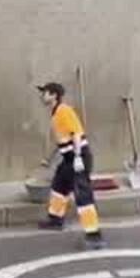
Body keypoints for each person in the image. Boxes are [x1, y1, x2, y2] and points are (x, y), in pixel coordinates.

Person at [37, 81, 104, 250]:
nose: (42, 96)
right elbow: (61, 141)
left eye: (44, 93)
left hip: (78, 157)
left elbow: (75, 134)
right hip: (68, 158)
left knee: (83, 195)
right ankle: (55, 219)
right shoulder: (55, 113)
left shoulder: (64, 111)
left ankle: (94, 235)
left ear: (53, 95)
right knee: (59, 186)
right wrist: (50, 159)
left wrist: (77, 157)